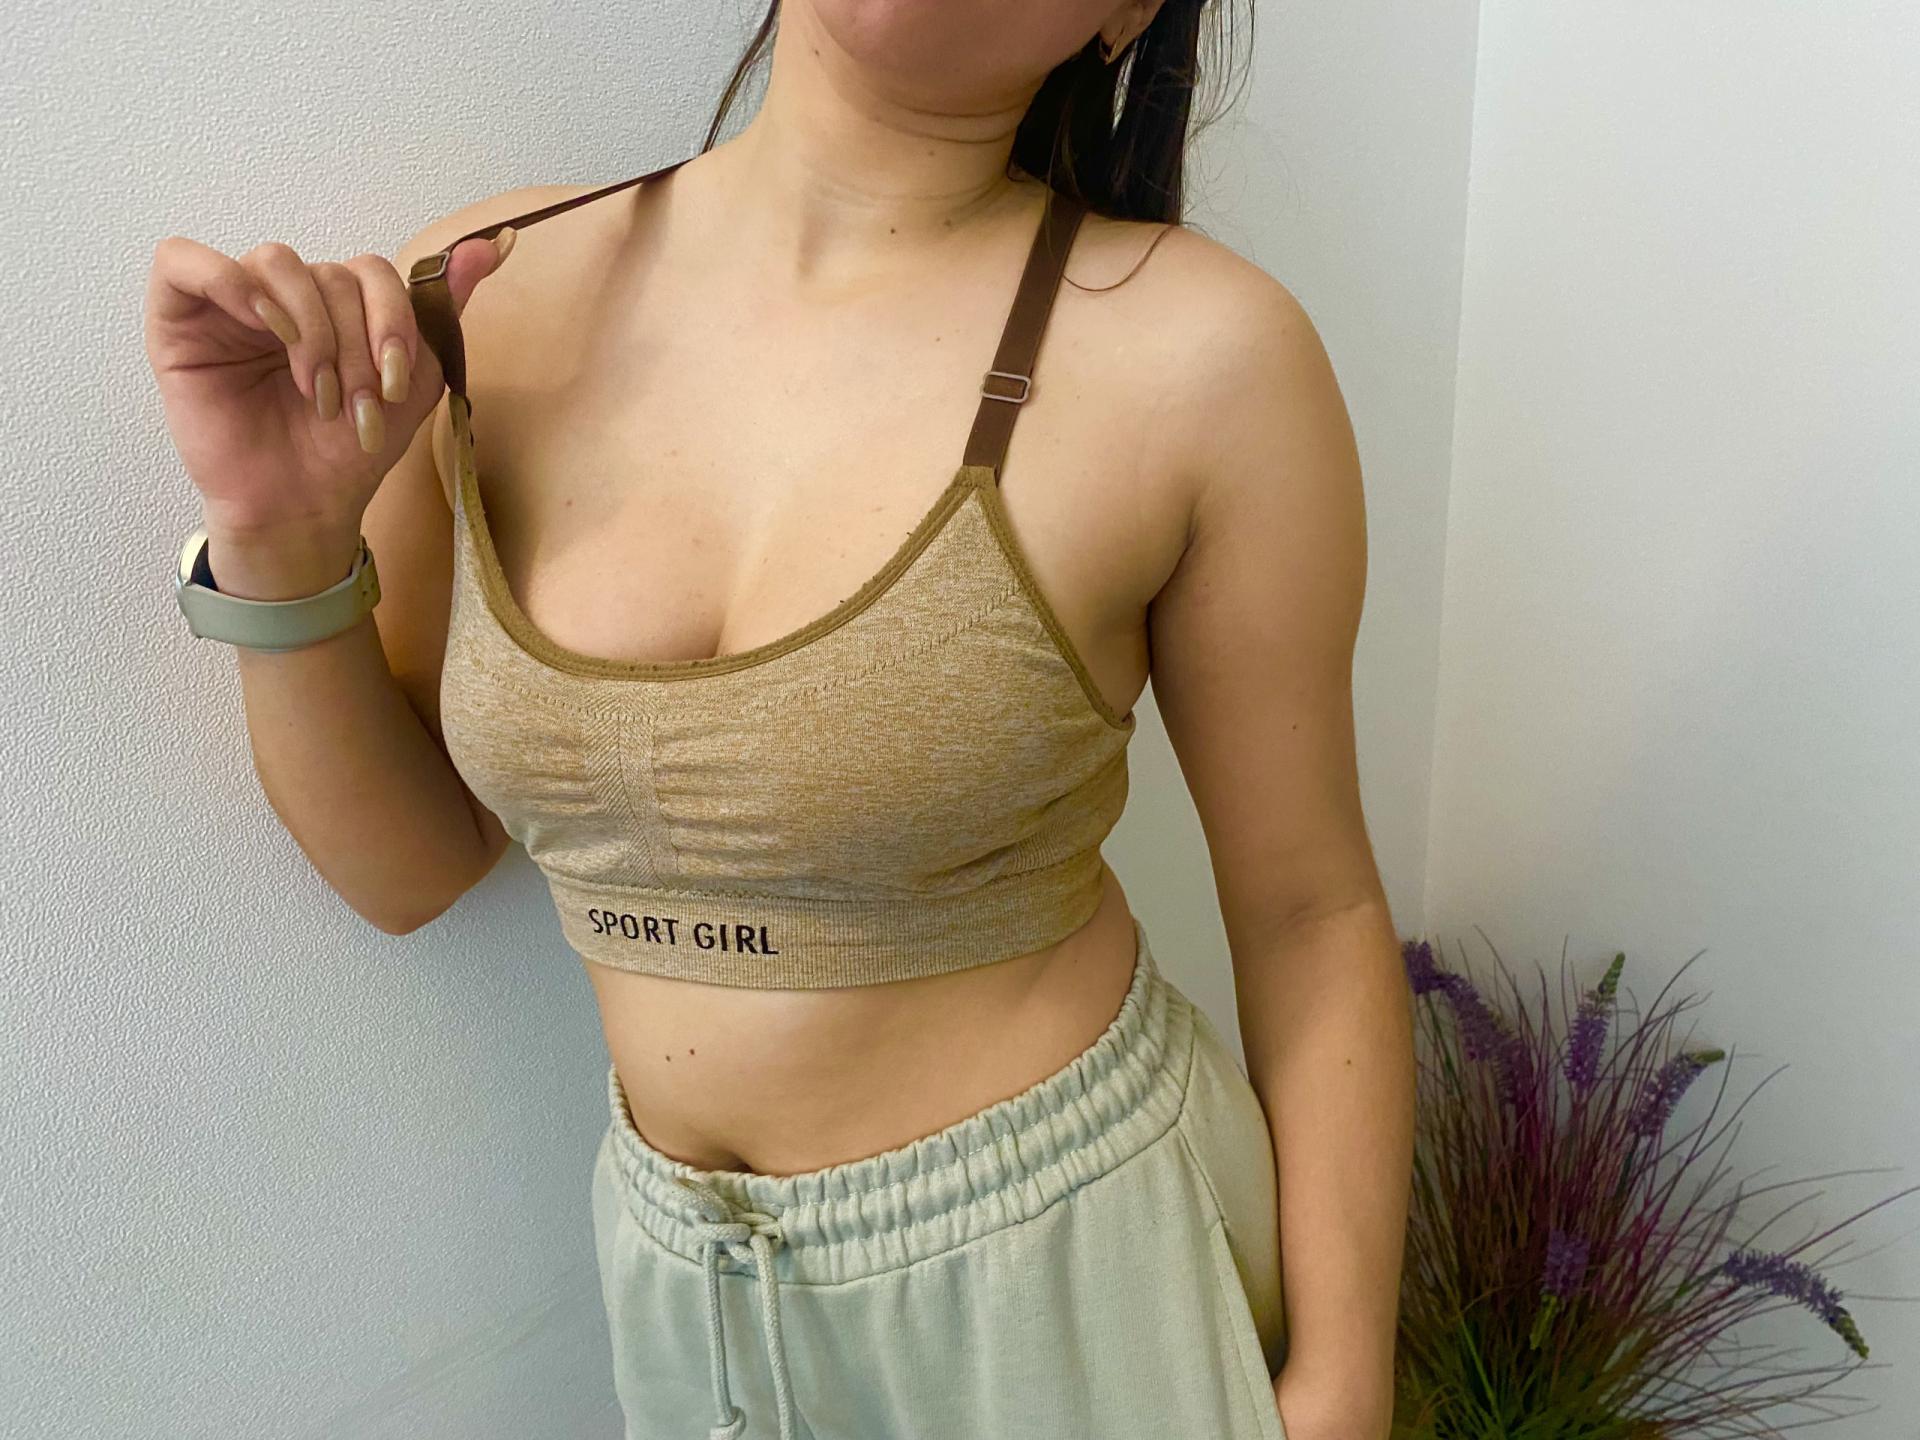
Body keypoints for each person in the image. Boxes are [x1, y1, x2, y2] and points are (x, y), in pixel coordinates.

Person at [143, 1, 1413, 1436]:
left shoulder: (1206, 355)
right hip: (689, 1294)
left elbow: (1311, 913)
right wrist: (279, 538)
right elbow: (408, 871)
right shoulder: (481, 293)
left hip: (1078, 1273)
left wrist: (1345, 1383)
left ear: (1126, 13)